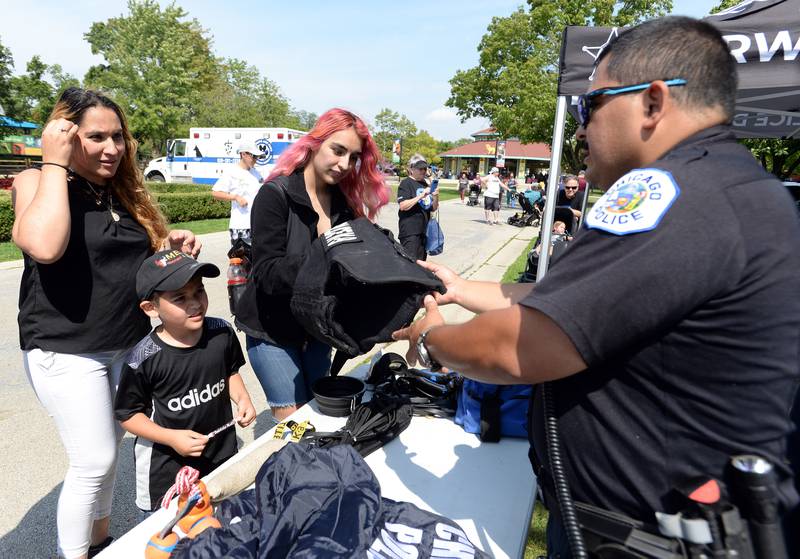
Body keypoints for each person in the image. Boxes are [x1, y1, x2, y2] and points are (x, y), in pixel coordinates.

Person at [393, 17, 799, 557]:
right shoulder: (729, 186)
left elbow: (518, 348)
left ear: (653, 103)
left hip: (647, 537)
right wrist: (465, 289)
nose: (581, 129)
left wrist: (431, 335)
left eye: (592, 106)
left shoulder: (669, 193)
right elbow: (584, 303)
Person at [11, 87, 200, 559]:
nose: (112, 148)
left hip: (125, 347)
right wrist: (54, 163)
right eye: (96, 137)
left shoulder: (118, 191)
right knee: (93, 460)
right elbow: (44, 245)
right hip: (66, 348)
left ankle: (99, 542)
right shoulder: (36, 181)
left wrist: (169, 248)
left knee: (109, 453)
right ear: (65, 135)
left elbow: (125, 267)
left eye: (118, 137)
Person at [235, 108, 388, 421]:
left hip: (316, 328)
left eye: (354, 157)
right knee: (295, 421)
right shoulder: (274, 195)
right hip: (271, 330)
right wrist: (326, 255)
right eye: (338, 150)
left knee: (319, 414)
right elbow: (266, 275)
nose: (345, 164)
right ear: (315, 143)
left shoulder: (344, 205)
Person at [114, 250, 256, 515]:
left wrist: (243, 398)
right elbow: (128, 415)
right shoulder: (142, 358)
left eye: (199, 291)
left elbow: (230, 371)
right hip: (167, 469)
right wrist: (171, 438)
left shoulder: (220, 332)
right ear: (151, 308)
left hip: (221, 455)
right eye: (180, 298)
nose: (195, 303)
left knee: (222, 527)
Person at [211, 141, 264, 247]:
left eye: (257, 157)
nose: (255, 160)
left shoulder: (257, 173)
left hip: (257, 224)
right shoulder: (231, 172)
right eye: (253, 156)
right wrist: (235, 197)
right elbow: (215, 193)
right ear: (243, 154)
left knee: (257, 260)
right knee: (239, 260)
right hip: (240, 225)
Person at [397, 154, 439, 260]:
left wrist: (435, 195)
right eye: (420, 168)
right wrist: (421, 195)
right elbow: (403, 206)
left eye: (425, 168)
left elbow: (433, 208)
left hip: (424, 230)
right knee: (410, 263)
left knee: (421, 263)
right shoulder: (406, 183)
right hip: (410, 231)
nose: (423, 171)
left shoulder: (425, 183)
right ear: (411, 169)